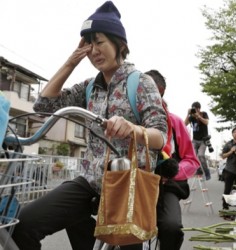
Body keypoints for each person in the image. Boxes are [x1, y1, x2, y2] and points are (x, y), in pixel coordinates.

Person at [12, 2, 167, 250]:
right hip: (91, 180)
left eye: (100, 41)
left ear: (120, 45)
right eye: (88, 44)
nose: (94, 50)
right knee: (24, 225)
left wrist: (133, 128)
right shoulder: (88, 87)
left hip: (128, 185)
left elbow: (160, 135)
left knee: (128, 243)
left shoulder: (141, 83)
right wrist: (71, 61)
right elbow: (42, 106)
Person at [145, 69, 200, 250]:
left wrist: (173, 171)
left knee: (171, 227)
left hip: (166, 186)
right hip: (135, 182)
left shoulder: (175, 122)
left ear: (161, 93)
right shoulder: (127, 118)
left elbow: (192, 160)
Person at [184, 101, 211, 180]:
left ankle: (206, 172)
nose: (194, 111)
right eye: (193, 109)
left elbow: (206, 122)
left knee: (201, 155)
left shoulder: (203, 114)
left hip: (203, 140)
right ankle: (198, 170)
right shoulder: (191, 117)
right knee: (193, 155)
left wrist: (198, 116)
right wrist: (188, 114)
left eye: (195, 109)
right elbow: (184, 124)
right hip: (195, 140)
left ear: (199, 109)